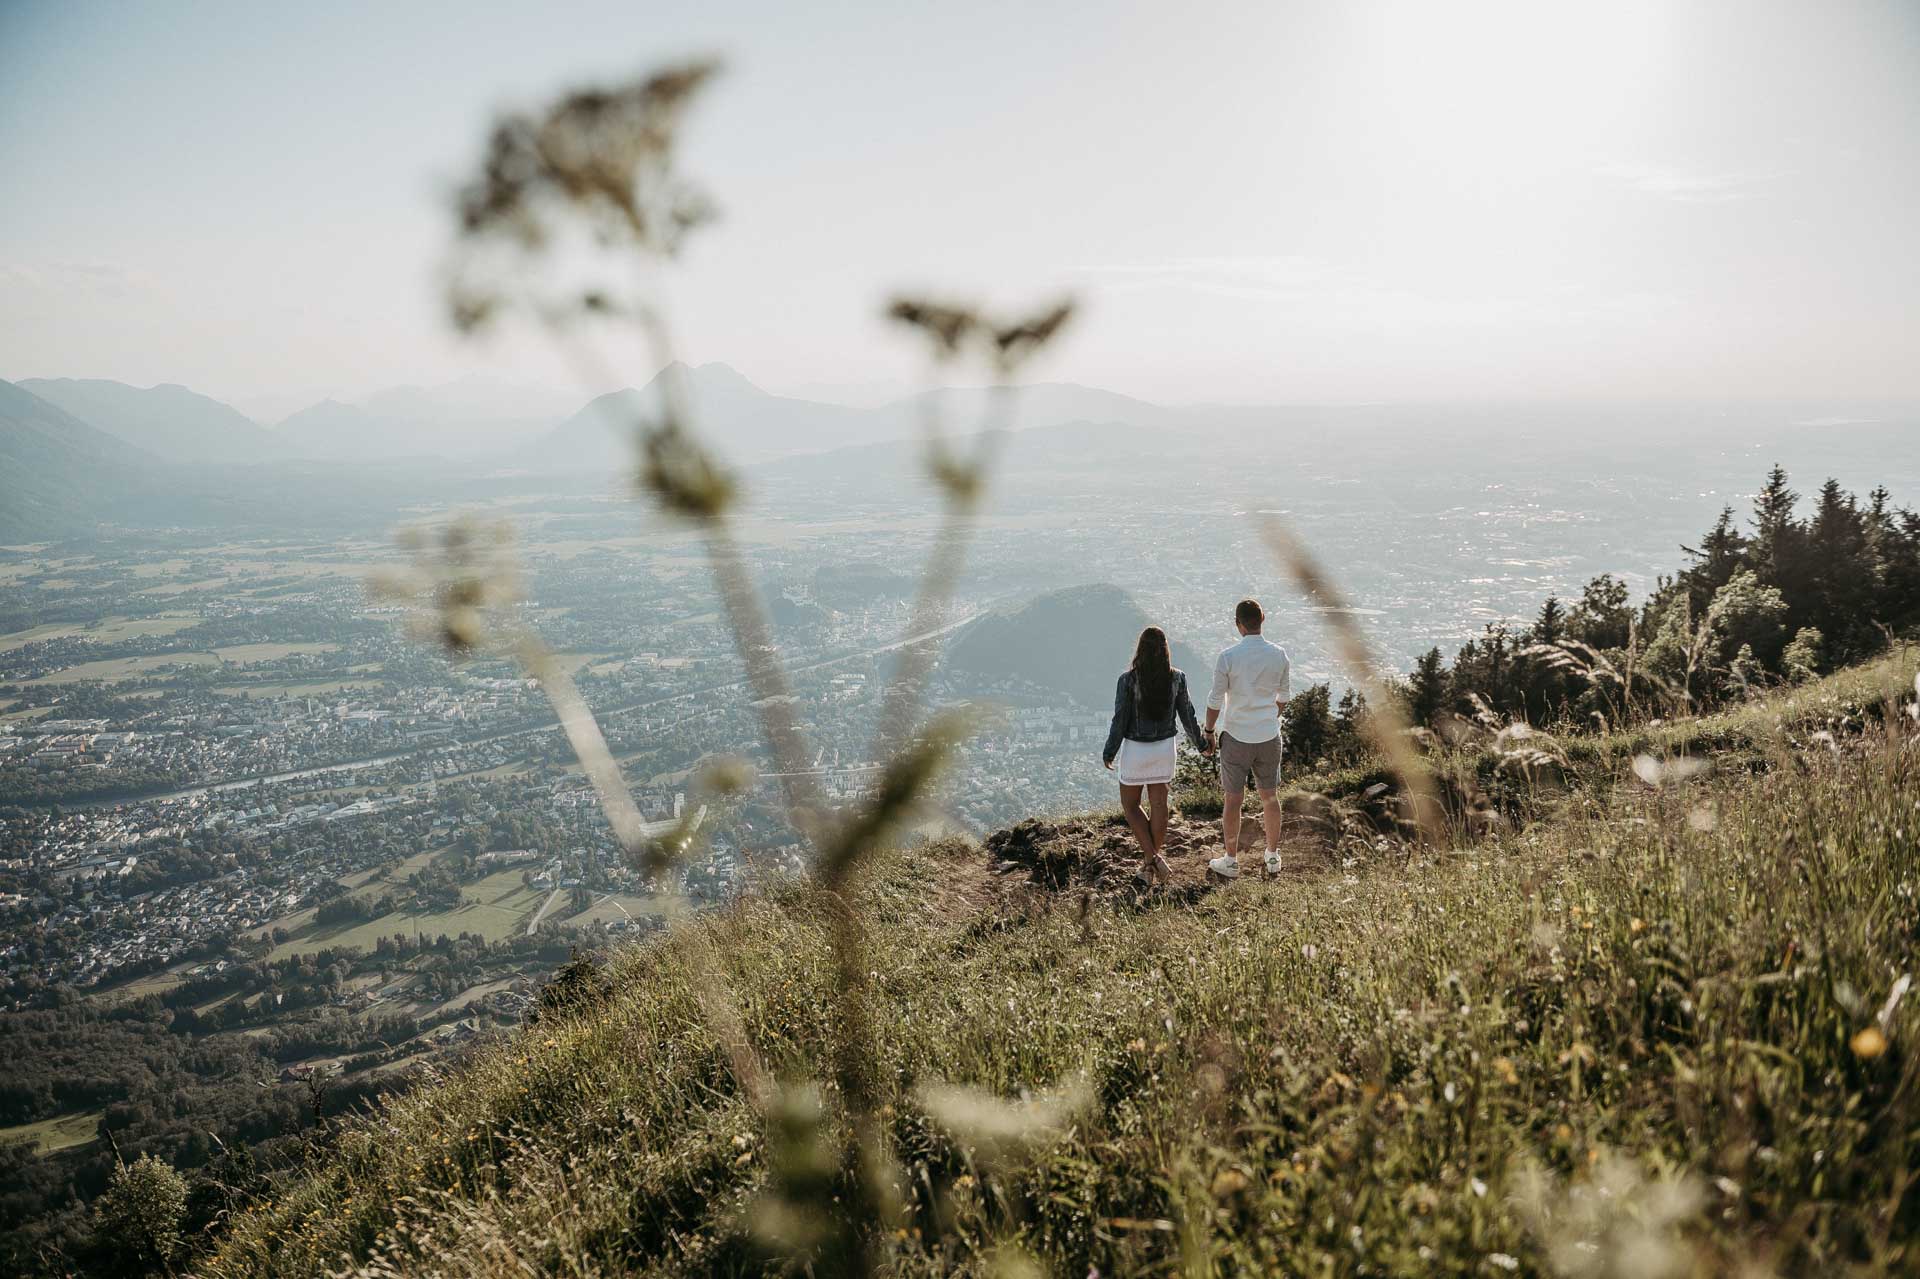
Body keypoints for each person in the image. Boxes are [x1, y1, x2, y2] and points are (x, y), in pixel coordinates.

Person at [1102, 625, 1205, 883]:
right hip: (1164, 749)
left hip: (1136, 750)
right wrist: (1201, 744)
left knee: (1130, 805)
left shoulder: (1127, 680)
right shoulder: (1178, 678)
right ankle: (1150, 864)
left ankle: (1152, 860)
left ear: (1140, 651)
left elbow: (1120, 719)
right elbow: (1187, 716)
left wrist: (1110, 750)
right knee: (1159, 806)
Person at [1204, 598, 1291, 879]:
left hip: (1236, 736)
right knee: (1270, 797)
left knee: (1233, 799)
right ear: (1262, 619)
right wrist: (1268, 717)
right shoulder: (1279, 655)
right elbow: (1284, 698)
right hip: (1268, 735)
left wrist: (1208, 731)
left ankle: (1230, 861)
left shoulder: (1228, 657)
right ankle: (1273, 856)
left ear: (1237, 623)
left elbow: (1216, 699)